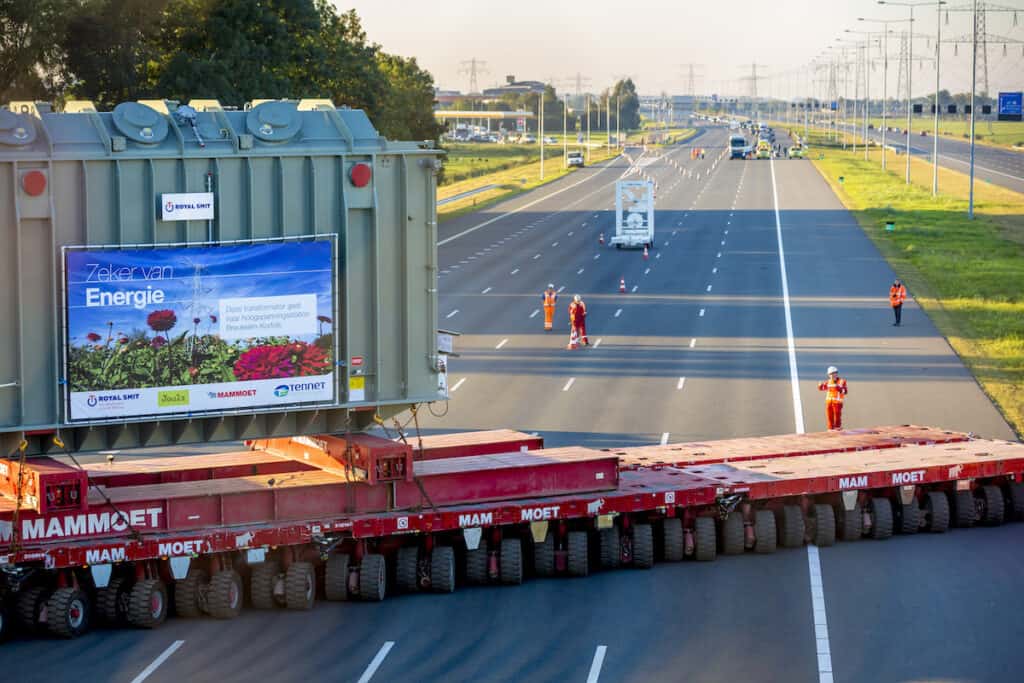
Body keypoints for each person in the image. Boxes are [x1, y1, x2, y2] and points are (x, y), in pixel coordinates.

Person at [818, 366, 848, 430]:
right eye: (831, 374)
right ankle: (830, 429)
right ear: (829, 375)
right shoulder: (828, 382)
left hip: (837, 403)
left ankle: (838, 429)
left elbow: (845, 391)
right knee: (830, 417)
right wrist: (820, 386)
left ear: (837, 373)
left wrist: (838, 388)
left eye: (834, 373)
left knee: (837, 417)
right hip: (829, 403)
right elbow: (823, 388)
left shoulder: (842, 381)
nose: (833, 375)